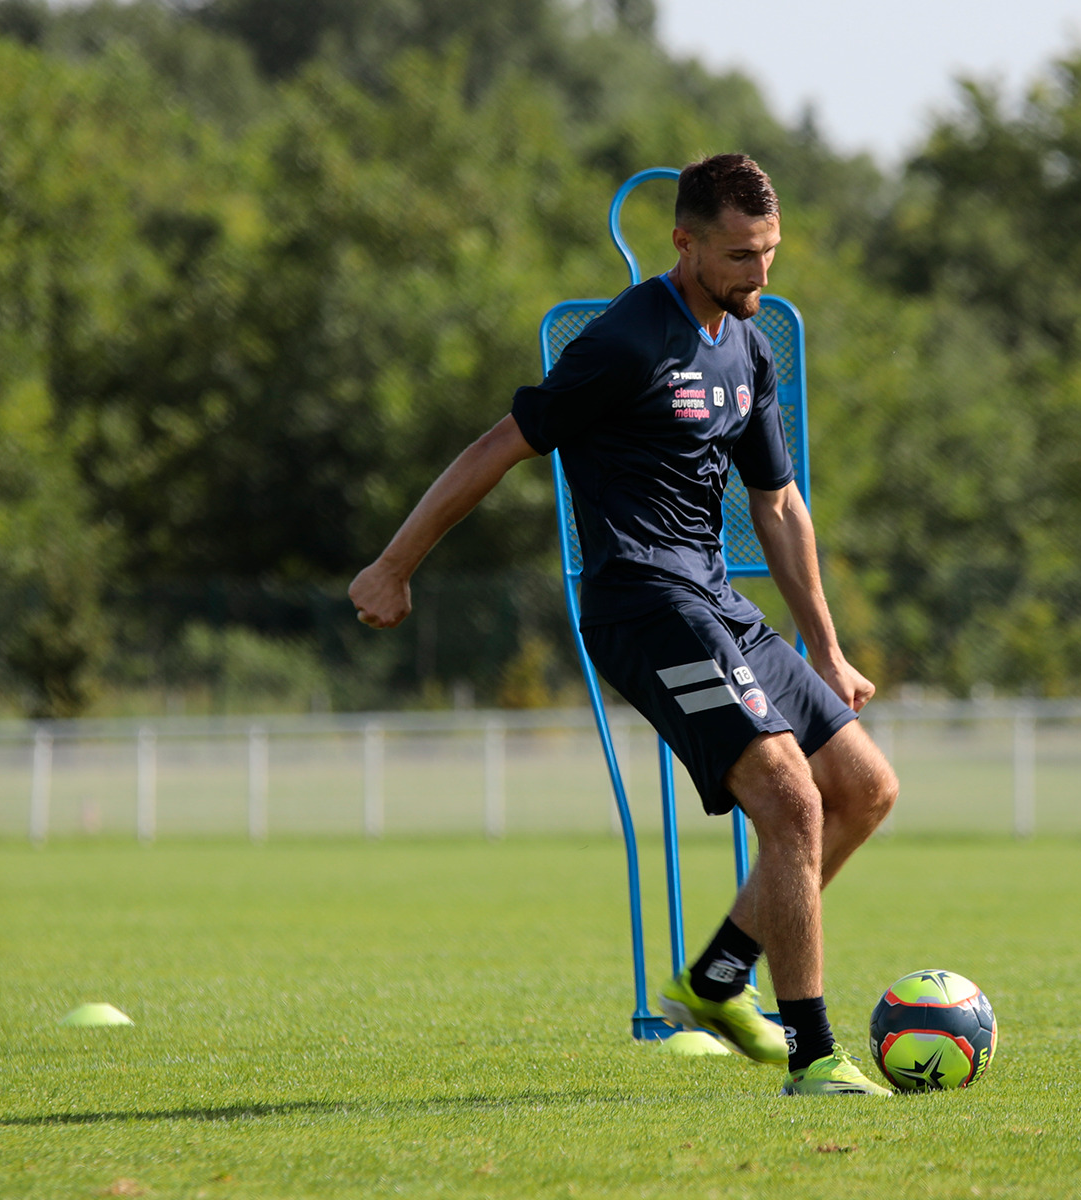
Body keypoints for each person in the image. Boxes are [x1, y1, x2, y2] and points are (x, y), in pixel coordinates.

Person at [349, 153, 898, 1097]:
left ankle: (719, 976)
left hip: (717, 599)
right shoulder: (625, 340)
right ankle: (814, 1056)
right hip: (642, 604)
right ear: (683, 243)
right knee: (793, 801)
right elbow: (499, 445)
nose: (757, 275)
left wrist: (828, 646)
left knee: (864, 788)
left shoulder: (750, 345)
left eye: (768, 254)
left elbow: (779, 505)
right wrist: (394, 566)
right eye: (737, 256)